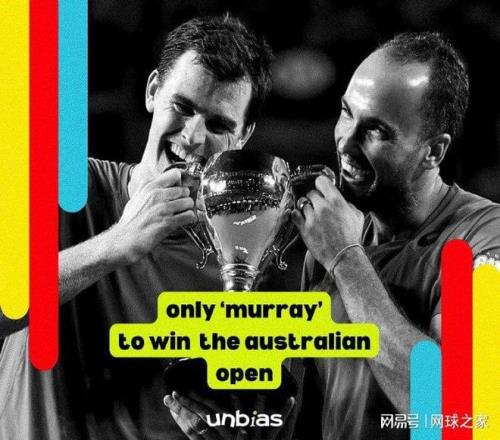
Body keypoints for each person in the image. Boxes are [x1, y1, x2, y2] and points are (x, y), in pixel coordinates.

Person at [0, 15, 295, 440]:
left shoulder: (248, 263)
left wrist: (228, 429)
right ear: (153, 91)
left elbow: (257, 416)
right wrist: (117, 243)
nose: (192, 137)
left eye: (218, 125)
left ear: (243, 135)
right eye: (182, 107)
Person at [292, 32, 500, 440]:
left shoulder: (483, 240)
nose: (346, 142)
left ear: (433, 152)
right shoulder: (327, 245)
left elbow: (455, 413)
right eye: (346, 113)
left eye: (377, 131)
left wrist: (347, 260)